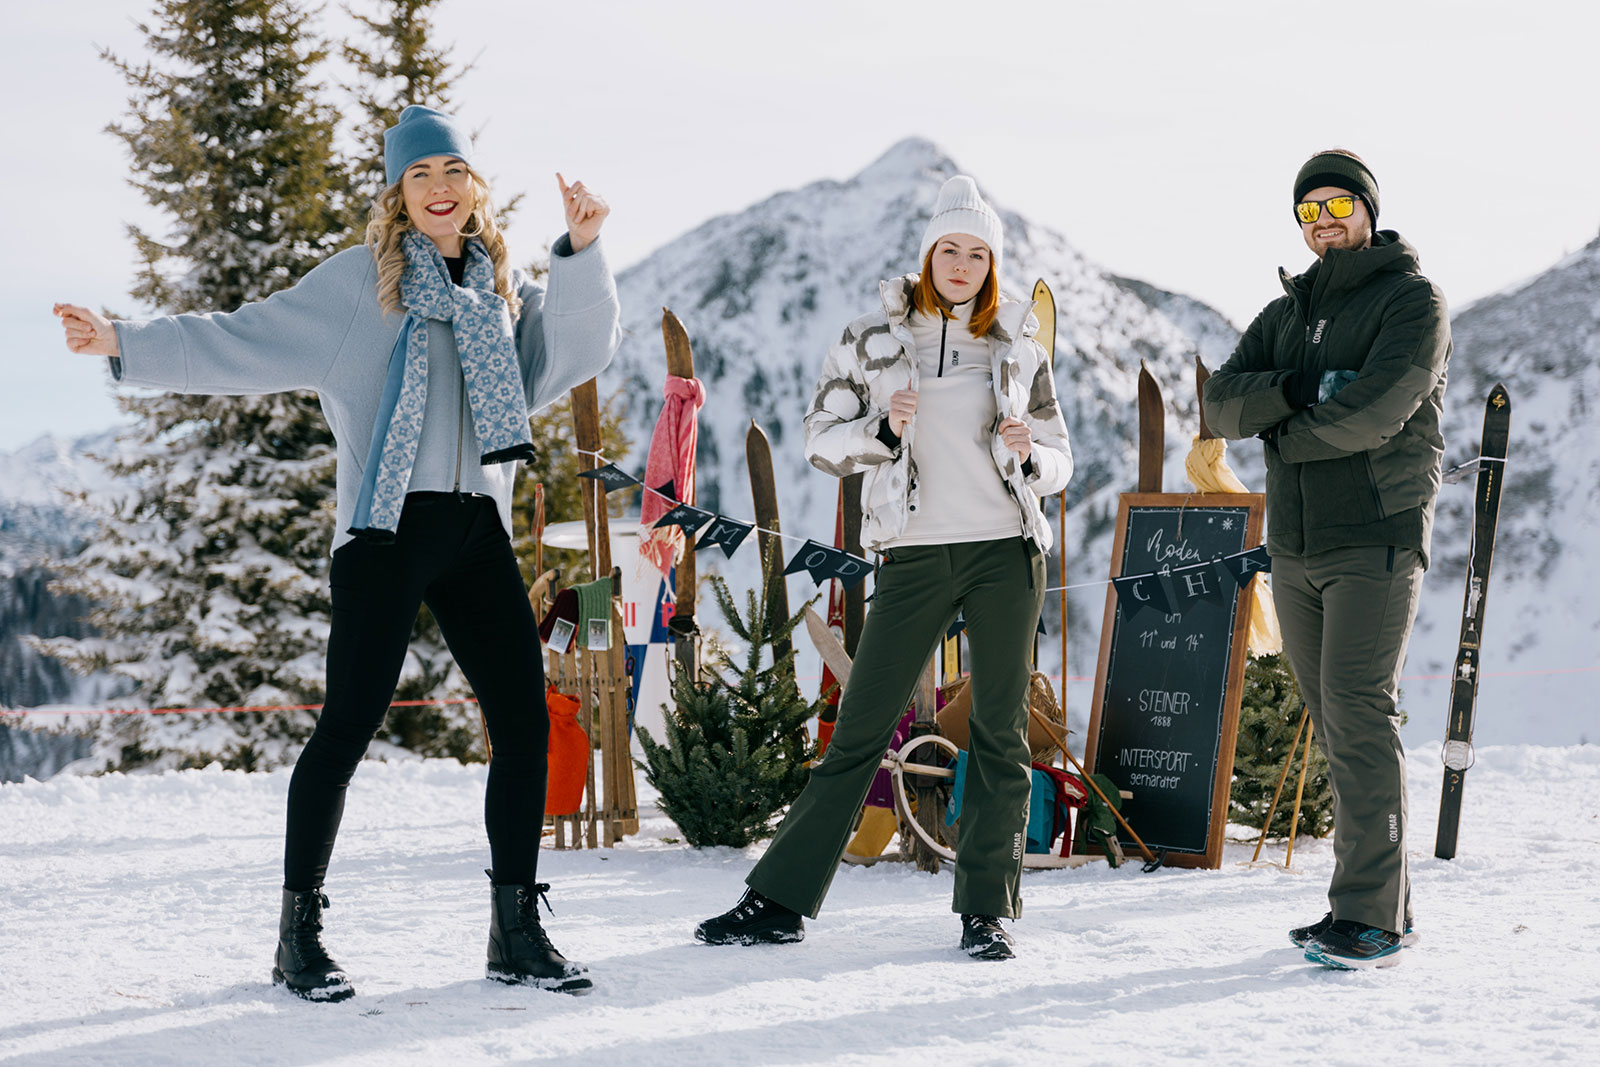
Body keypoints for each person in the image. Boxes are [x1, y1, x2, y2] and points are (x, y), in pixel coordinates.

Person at [53, 105, 622, 999]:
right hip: (384, 531)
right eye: (420, 175)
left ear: (474, 188)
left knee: (518, 727)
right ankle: (298, 934)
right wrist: (127, 340)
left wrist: (582, 250)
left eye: (453, 172)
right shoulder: (364, 285)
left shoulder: (498, 297)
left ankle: (514, 931)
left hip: (476, 528)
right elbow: (244, 338)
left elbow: (575, 353)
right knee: (346, 730)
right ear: (399, 195)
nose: (439, 189)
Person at [694, 175, 1073, 960]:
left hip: (1007, 551)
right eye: (950, 248)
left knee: (1000, 735)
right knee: (860, 729)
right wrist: (881, 427)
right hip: (912, 554)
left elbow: (1062, 456)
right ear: (928, 253)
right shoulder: (871, 340)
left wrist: (1029, 453)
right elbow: (817, 438)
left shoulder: (1018, 347)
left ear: (991, 264)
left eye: (977, 252)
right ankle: (777, 900)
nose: (961, 264)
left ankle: (986, 911)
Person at [1203, 149, 1450, 970]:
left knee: (1357, 709)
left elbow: (1378, 409)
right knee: (1339, 721)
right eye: (1310, 211)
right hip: (1297, 547)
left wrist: (1283, 427)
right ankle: (1378, 909)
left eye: (1339, 204)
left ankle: (1370, 916)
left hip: (1375, 536)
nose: (1325, 221)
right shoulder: (1288, 312)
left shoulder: (1412, 300)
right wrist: (1305, 390)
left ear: (1369, 210)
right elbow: (1219, 401)